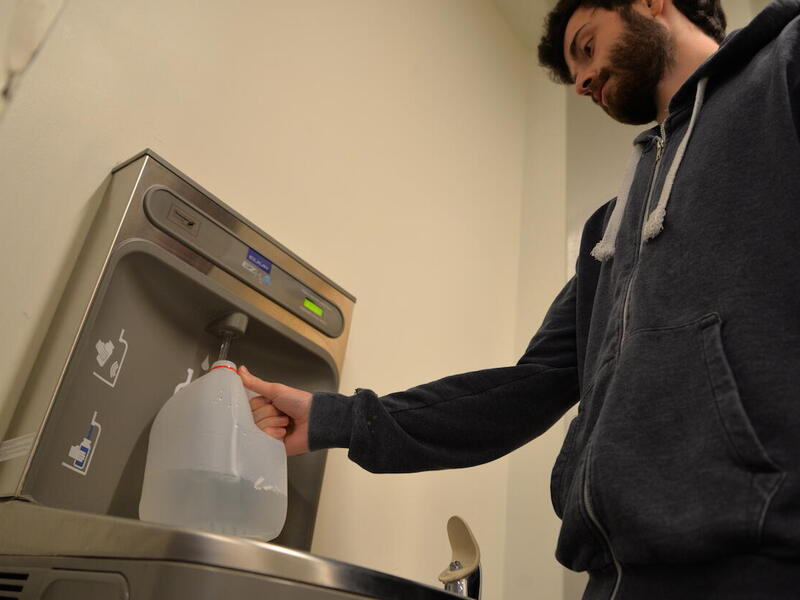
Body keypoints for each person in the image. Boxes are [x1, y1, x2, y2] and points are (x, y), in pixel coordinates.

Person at [239, 0, 800, 597]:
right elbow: (524, 389)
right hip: (609, 579)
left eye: (587, 45)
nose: (582, 81)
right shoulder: (608, 230)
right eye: (574, 73)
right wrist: (336, 418)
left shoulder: (782, 71)